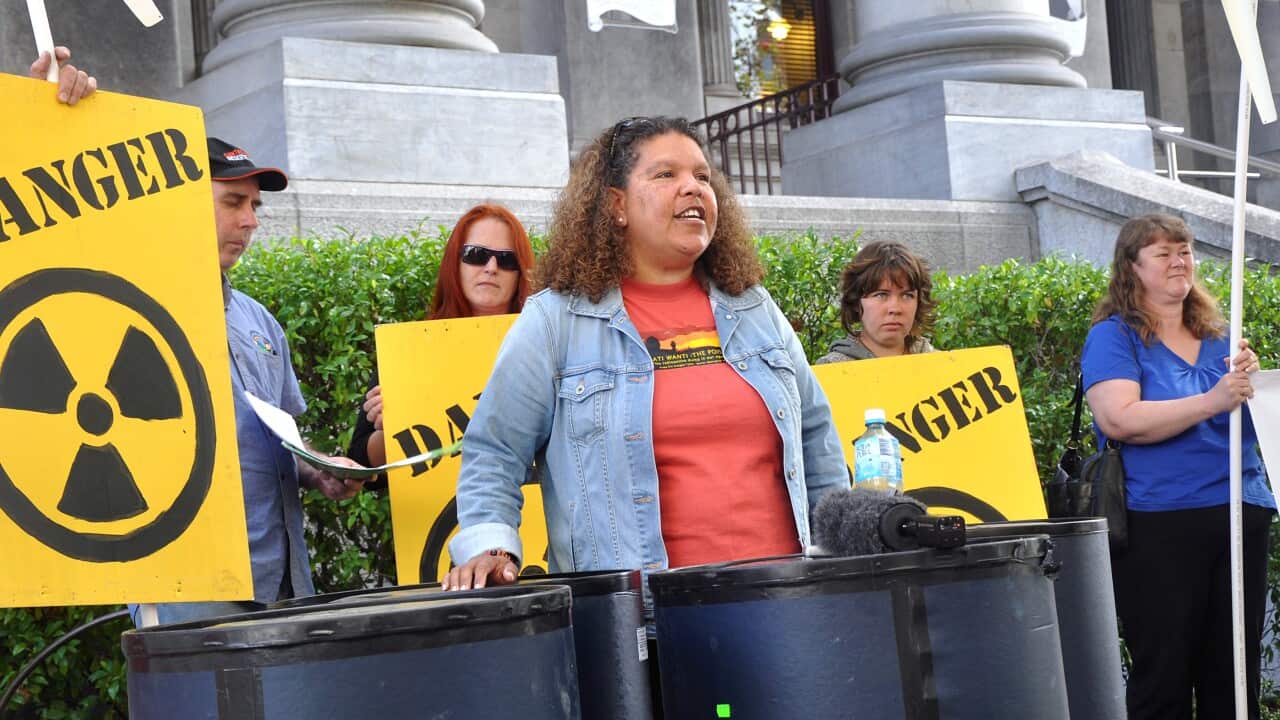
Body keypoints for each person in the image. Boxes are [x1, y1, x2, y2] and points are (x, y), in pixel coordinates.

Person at [442, 116, 848, 593]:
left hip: (788, 602)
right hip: (643, 623)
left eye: (702, 176)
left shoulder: (755, 307)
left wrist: (840, 559)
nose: (693, 188)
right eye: (666, 175)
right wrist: (492, 548)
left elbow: (816, 434)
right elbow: (495, 450)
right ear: (616, 205)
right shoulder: (555, 322)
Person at [131, 139, 369, 626]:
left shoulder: (259, 321)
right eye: (233, 202)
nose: (251, 221)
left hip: (283, 585)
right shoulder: (134, 316)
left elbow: (283, 445)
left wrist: (321, 469)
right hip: (189, 591)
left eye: (255, 205)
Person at [1081, 213, 1273, 720]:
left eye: (1184, 249)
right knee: (1162, 673)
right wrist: (1214, 400)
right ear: (1132, 268)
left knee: (1234, 675)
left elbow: (1249, 421)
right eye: (1162, 252)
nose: (1178, 260)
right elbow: (1120, 419)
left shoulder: (1222, 334)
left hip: (1239, 512)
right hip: (1159, 522)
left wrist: (1255, 387)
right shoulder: (1113, 337)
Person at [346, 204, 534, 480]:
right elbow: (363, 467)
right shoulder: (410, 351)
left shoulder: (543, 347)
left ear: (520, 272)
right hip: (437, 518)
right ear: (454, 263)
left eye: (507, 259)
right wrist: (392, 428)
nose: (491, 268)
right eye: (476, 255)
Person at [816, 240, 937, 363]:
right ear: (856, 301)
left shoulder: (939, 364)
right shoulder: (832, 370)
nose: (895, 309)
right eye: (881, 295)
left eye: (907, 295)